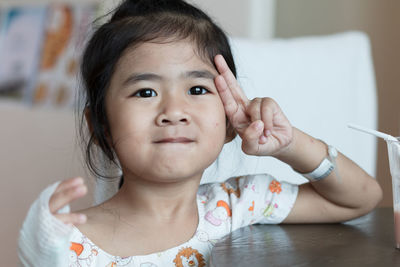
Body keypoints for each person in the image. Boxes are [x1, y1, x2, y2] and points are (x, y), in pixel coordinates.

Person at [18, 0, 383, 266]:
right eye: (146, 92)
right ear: (100, 127)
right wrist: (38, 252)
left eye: (197, 90)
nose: (174, 111)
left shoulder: (235, 205)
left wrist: (288, 145)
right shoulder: (68, 241)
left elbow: (359, 199)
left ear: (228, 120)